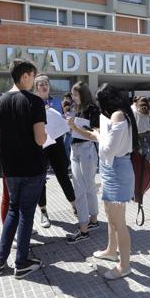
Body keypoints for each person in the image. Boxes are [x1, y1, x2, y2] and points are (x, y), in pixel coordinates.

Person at [0, 59, 47, 279]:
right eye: (33, 76)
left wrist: (13, 144)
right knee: (26, 213)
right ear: (25, 76)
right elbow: (40, 138)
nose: (34, 81)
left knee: (13, 210)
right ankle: (21, 262)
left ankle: (0, 260)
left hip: (10, 167)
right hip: (32, 166)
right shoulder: (34, 102)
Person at [91, 83, 138, 280]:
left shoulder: (118, 115)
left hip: (117, 169)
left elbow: (108, 149)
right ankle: (111, 251)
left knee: (119, 222)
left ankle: (124, 266)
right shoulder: (119, 114)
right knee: (111, 217)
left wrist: (97, 135)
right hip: (112, 169)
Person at [33, 74, 77, 227]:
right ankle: (44, 212)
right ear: (36, 88)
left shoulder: (57, 102)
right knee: (40, 180)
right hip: (40, 146)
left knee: (63, 176)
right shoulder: (32, 103)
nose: (44, 86)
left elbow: (64, 121)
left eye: (46, 83)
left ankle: (75, 205)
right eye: (40, 84)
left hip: (57, 144)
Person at [66, 81, 100, 244]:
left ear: (83, 94)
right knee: (86, 187)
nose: (73, 97)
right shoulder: (75, 109)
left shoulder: (92, 109)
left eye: (75, 94)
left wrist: (73, 127)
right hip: (75, 149)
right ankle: (93, 221)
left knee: (82, 189)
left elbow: (95, 135)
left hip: (86, 149)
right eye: (72, 94)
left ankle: (84, 229)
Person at [132, 97, 150, 163]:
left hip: (139, 132)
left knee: (142, 147)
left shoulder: (135, 111)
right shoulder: (149, 111)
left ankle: (142, 161)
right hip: (148, 131)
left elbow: (134, 121)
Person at [62, 92, 75, 159]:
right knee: (66, 146)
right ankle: (68, 161)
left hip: (72, 131)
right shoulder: (67, 106)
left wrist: (65, 114)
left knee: (66, 146)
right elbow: (65, 116)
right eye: (65, 98)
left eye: (67, 98)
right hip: (68, 130)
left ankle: (68, 161)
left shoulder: (74, 106)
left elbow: (71, 116)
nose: (65, 100)